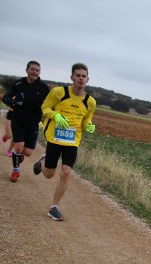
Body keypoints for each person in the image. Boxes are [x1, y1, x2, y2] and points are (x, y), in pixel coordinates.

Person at [32, 63, 96, 221]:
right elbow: (45, 108)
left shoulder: (90, 102)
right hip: (55, 137)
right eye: (78, 75)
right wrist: (56, 116)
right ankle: (43, 162)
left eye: (83, 76)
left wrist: (88, 125)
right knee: (48, 174)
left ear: (88, 79)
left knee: (66, 171)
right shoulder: (59, 92)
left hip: (73, 141)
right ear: (72, 77)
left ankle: (53, 207)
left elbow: (86, 119)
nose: (81, 78)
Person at [2, 61, 50, 182]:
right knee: (19, 147)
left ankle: (18, 157)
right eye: (32, 69)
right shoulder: (18, 84)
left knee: (28, 152)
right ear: (27, 70)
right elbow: (5, 98)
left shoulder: (44, 88)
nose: (34, 72)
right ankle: (16, 171)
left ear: (40, 72)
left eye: (37, 70)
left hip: (33, 123)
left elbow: (51, 104)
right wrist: (13, 101)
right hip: (18, 120)